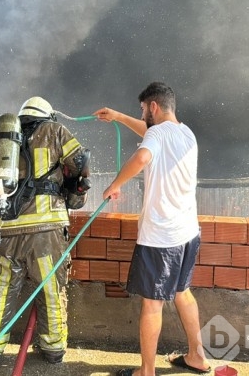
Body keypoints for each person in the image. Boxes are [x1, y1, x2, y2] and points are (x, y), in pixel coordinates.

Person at [94, 82, 211, 376]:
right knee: (183, 292)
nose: (142, 114)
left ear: (153, 107)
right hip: (187, 233)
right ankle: (197, 356)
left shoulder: (157, 134)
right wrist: (118, 117)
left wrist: (114, 185)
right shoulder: (185, 132)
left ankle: (146, 371)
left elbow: (144, 154)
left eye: (143, 109)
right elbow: (149, 134)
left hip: (161, 239)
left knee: (152, 304)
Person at [0, 96, 90, 369]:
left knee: (2, 289)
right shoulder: (55, 130)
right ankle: (53, 350)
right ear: (48, 116)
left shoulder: (8, 142)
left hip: (6, 228)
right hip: (45, 230)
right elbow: (81, 161)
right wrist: (75, 189)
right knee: (50, 288)